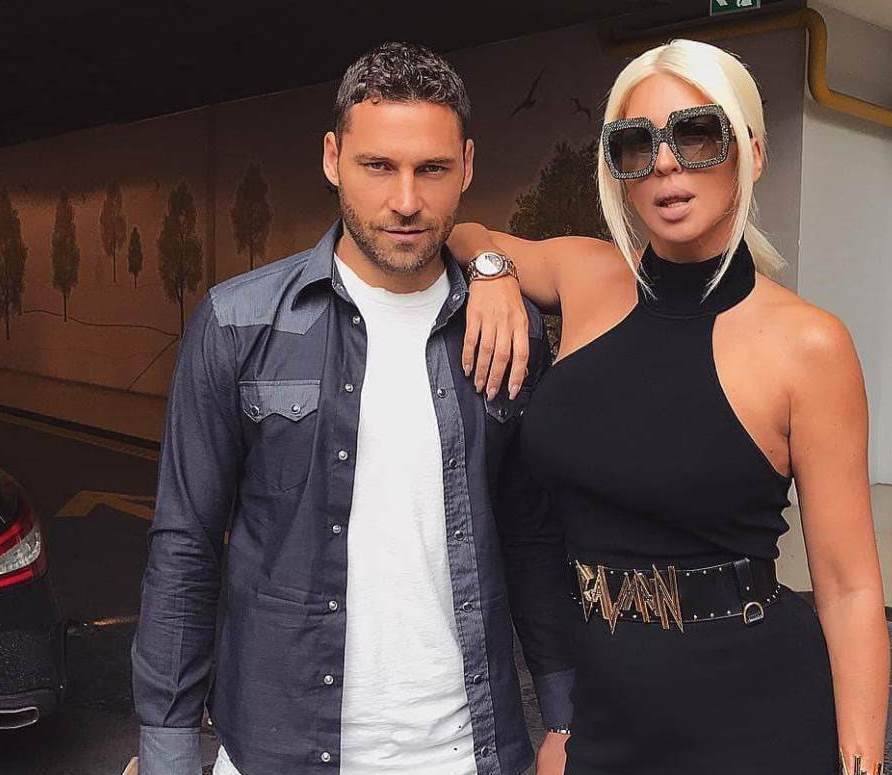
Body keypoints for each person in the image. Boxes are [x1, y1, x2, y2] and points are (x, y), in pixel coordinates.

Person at [450, 38, 890, 775]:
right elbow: (467, 232)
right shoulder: (587, 277)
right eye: (636, 143)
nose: (664, 163)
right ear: (617, 171)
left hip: (757, 724)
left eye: (696, 133)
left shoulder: (809, 344)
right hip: (603, 713)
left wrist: (862, 764)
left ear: (751, 152)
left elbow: (849, 589)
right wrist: (491, 271)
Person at [131, 42, 572, 775]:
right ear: (333, 158)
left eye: (432, 169)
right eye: (378, 166)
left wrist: (563, 711)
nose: (406, 200)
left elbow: (532, 536)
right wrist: (168, 744)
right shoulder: (238, 323)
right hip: (275, 749)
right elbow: (185, 545)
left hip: (465, 752)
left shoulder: (507, 330)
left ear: (467, 165)